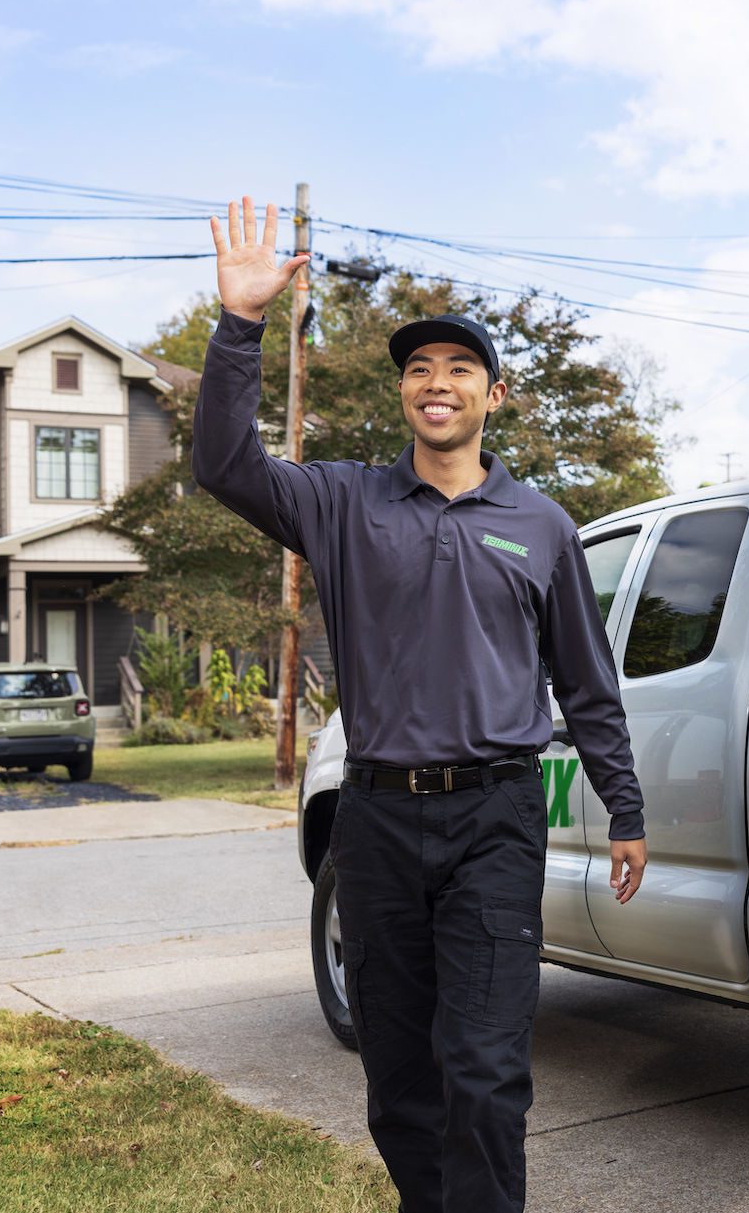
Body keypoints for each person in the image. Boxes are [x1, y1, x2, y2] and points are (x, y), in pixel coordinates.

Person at [192, 197, 647, 1213]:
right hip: (379, 822)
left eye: (459, 368)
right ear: (403, 391)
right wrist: (241, 324)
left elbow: (587, 681)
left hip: (496, 818)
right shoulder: (342, 502)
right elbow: (224, 464)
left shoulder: (543, 526)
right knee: (398, 1081)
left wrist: (625, 805)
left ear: (495, 393)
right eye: (418, 368)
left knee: (484, 1072)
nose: (436, 382)